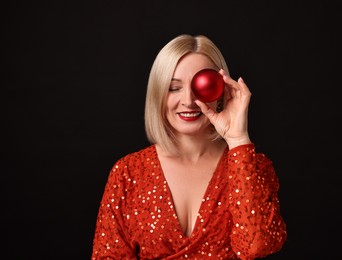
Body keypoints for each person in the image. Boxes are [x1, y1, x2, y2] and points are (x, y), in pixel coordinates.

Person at [91, 34, 287, 259]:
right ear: (158, 95)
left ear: (220, 92)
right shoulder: (127, 172)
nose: (188, 100)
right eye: (174, 88)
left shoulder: (251, 166)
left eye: (201, 86)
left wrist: (238, 139)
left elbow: (256, 246)